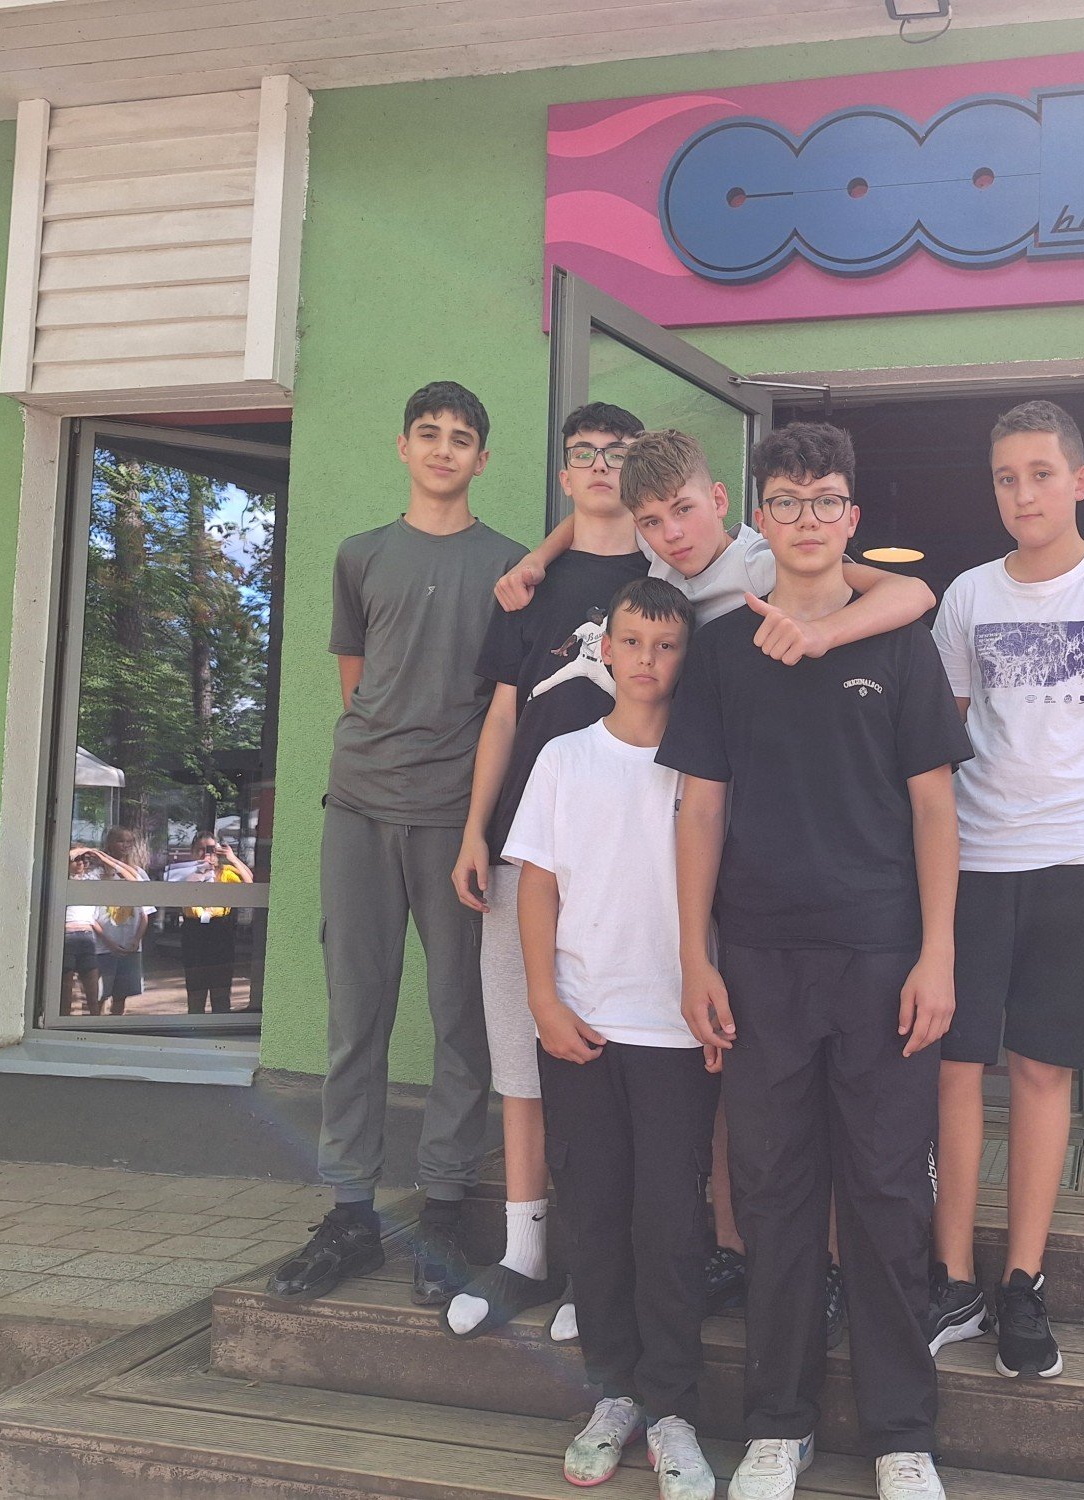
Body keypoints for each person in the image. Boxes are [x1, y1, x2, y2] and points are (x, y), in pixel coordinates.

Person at [497, 426, 938, 1343]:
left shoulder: (768, 560)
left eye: (685, 512)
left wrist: (820, 632)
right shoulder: (655, 585)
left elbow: (913, 592)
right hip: (689, 860)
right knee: (751, 1108)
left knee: (821, 1124)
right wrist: (538, 556)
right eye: (654, 521)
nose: (673, 533)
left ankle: (821, 1272)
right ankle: (740, 1258)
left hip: (797, 871)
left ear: (728, 506)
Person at [660, 422, 971, 1500]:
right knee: (774, 1194)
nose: (805, 519)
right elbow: (701, 810)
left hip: (883, 960)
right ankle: (778, 1425)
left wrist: (938, 953)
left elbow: (935, 808)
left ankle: (901, 1436)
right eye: (786, 502)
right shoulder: (718, 653)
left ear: (851, 517)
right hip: (757, 961)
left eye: (824, 500)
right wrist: (695, 955)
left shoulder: (898, 645)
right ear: (761, 517)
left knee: (885, 1196)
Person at [926, 399, 1084, 1380]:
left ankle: (1022, 1284)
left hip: (1081, 864)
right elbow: (940, 739)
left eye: (1040, 473)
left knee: (1042, 1073)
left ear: (1078, 480)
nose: (1022, 493)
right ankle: (951, 1278)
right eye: (1006, 478)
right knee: (955, 1068)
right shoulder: (967, 595)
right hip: (974, 862)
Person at [268, 380, 526, 1309]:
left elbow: (505, 705)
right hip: (360, 809)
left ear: (483, 459)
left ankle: (444, 1210)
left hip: (457, 821)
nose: (444, 448)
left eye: (462, 437)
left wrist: (472, 818)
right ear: (404, 446)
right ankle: (350, 1214)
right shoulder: (360, 555)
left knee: (462, 1017)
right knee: (356, 1013)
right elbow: (358, 681)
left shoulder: (511, 566)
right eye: (429, 433)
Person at [480, 576, 718, 1500]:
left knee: (670, 1222)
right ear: (604, 649)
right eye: (632, 642)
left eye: (666, 645)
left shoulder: (705, 759)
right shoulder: (564, 756)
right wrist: (542, 998)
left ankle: (674, 1410)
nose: (647, 660)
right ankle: (614, 1394)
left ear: (684, 656)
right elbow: (536, 883)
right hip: (580, 1021)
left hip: (674, 1030)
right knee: (597, 1212)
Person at [447, 401, 651, 1332]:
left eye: (618, 453)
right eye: (584, 454)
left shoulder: (668, 574)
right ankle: (524, 1253)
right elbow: (501, 716)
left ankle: (600, 1262)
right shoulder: (526, 588)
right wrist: (474, 830)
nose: (601, 466)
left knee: (616, 1056)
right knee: (520, 1055)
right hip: (525, 850)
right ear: (564, 473)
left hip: (631, 860)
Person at [171, 832, 255, 1014]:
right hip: (194, 930)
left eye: (210, 849)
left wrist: (232, 858)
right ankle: (195, 1023)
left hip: (220, 929)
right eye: (200, 850)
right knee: (196, 987)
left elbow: (249, 884)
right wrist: (199, 872)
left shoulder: (225, 872)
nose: (206, 854)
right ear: (193, 852)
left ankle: (220, 1023)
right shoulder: (186, 872)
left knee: (221, 987)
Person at [91, 827, 154, 1016]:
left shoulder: (138, 873)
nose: (125, 846)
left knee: (121, 995)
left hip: (130, 946)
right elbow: (90, 915)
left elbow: (145, 912)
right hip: (103, 946)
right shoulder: (96, 874)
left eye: (129, 842)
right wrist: (108, 941)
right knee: (99, 994)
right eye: (121, 841)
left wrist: (136, 939)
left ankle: (115, 1026)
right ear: (110, 843)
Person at [62, 848, 106, 1017]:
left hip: (87, 937)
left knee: (93, 993)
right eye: (76, 859)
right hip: (67, 936)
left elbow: (110, 867)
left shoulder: (91, 880)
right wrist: (77, 851)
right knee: (65, 993)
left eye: (84, 859)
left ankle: (92, 1026)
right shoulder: (63, 879)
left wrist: (94, 852)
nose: (80, 862)